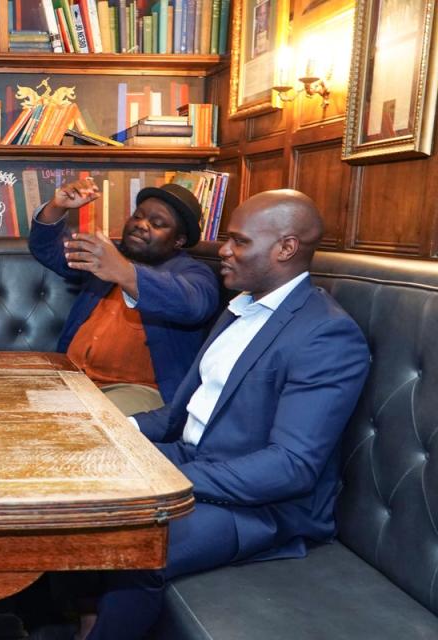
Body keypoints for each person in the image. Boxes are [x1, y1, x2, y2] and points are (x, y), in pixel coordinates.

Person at [82, 189, 371, 639]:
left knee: (135, 546)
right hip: (193, 460)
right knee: (72, 488)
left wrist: (166, 481)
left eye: (239, 242)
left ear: (286, 248)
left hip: (264, 506)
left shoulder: (327, 335)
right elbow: (183, 416)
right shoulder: (239, 307)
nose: (224, 251)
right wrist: (111, 429)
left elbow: (291, 468)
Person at [29, 177, 219, 415]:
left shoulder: (192, 272)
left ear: (178, 240)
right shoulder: (109, 254)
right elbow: (47, 250)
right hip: (74, 378)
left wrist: (125, 272)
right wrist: (58, 206)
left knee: (82, 423)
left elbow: (194, 305)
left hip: (139, 391)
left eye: (158, 223)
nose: (142, 225)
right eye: (138, 216)